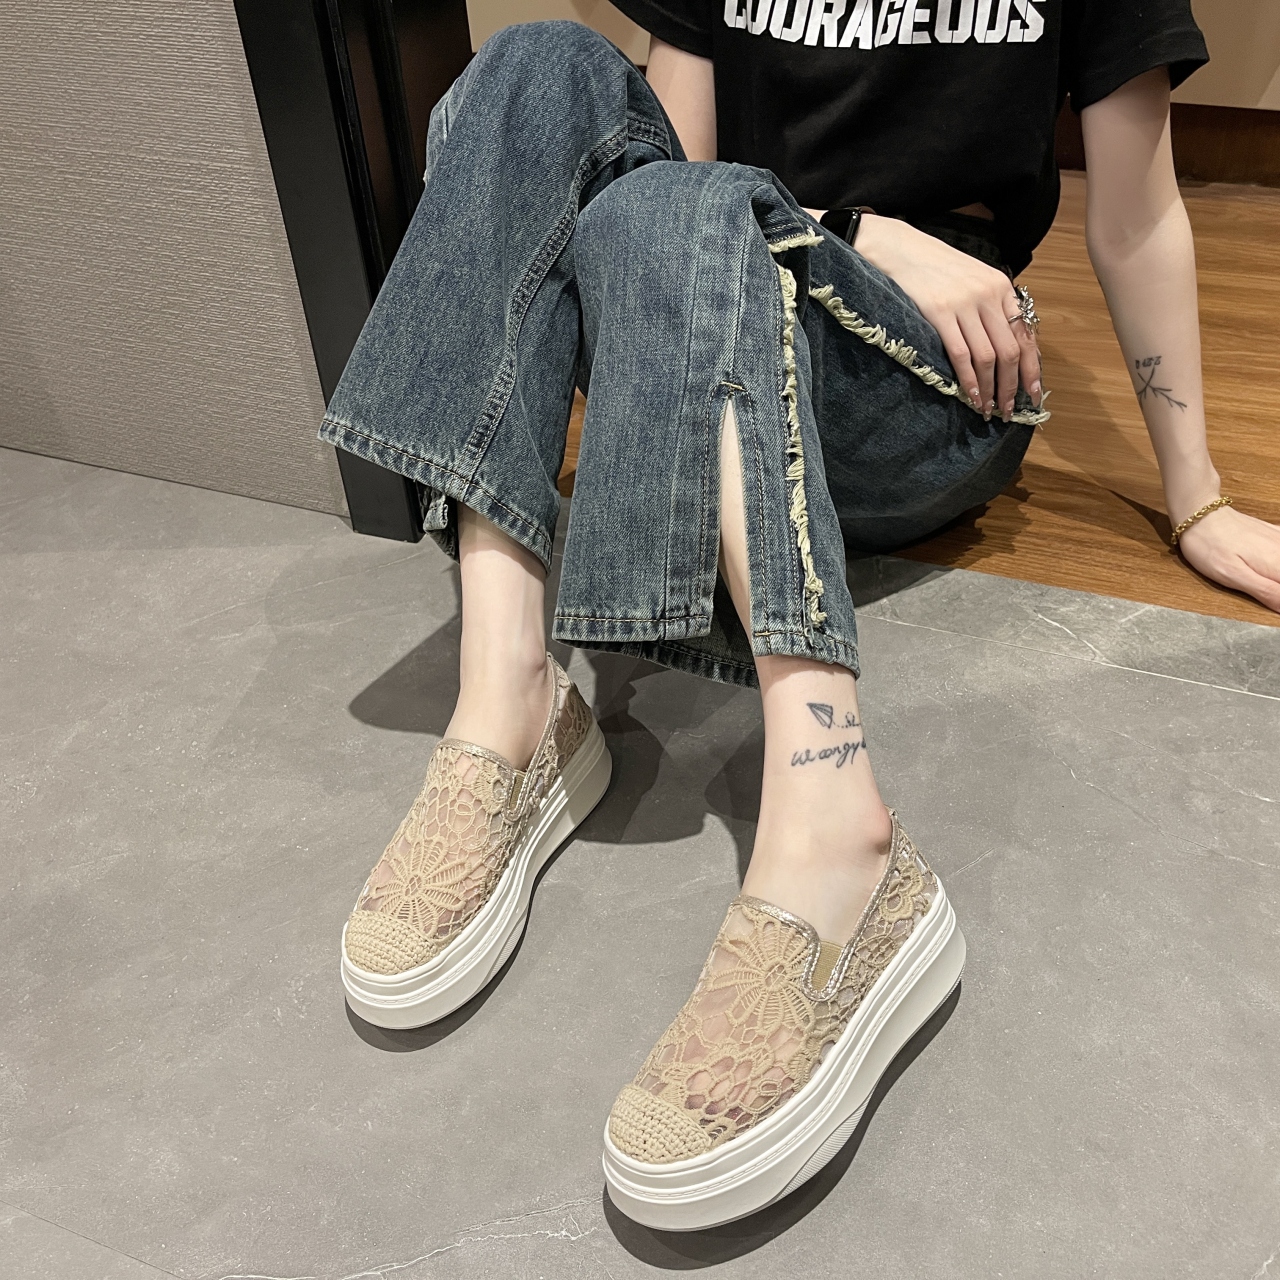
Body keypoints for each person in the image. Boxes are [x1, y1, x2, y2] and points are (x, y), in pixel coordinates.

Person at [318, 1, 1274, 1229]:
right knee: (534, 70)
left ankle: (836, 828)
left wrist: (1195, 498)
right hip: (719, 289)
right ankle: (509, 702)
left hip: (925, 373)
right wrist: (843, 220)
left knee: (686, 208)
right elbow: (667, 177)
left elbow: (1135, 216)